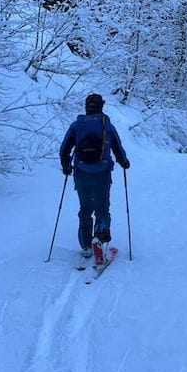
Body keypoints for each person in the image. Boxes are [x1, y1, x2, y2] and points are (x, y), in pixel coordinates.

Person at [60, 93, 130, 257]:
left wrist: (66, 167)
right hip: (102, 174)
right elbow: (117, 148)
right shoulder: (107, 125)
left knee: (85, 209)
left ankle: (86, 245)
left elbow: (64, 149)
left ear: (86, 107)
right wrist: (124, 162)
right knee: (102, 208)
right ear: (102, 106)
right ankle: (99, 237)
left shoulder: (77, 125)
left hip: (81, 174)